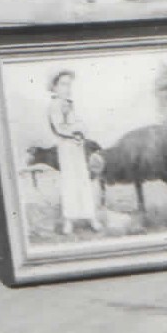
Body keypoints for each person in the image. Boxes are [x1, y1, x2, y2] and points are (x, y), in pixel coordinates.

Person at [46, 71, 102, 235]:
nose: (67, 88)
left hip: (77, 147)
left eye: (69, 84)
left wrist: (81, 132)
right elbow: (58, 127)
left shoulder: (70, 104)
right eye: (63, 84)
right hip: (65, 147)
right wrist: (74, 133)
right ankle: (69, 220)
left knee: (82, 179)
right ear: (54, 87)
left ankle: (90, 217)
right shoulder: (54, 105)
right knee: (70, 180)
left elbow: (79, 123)